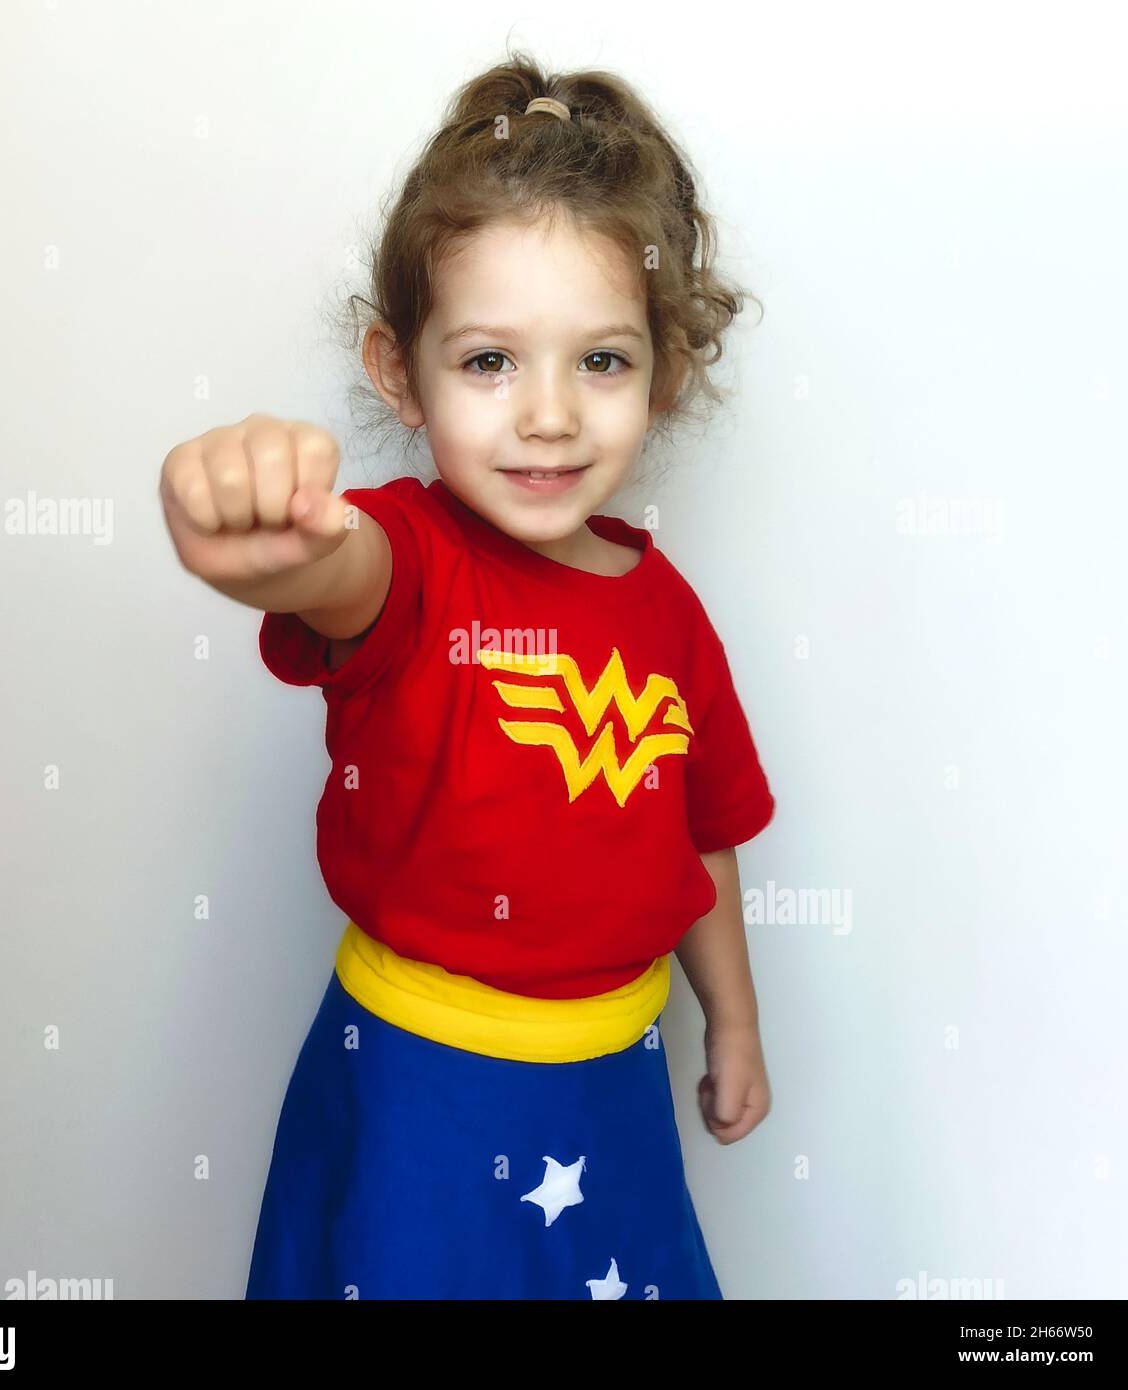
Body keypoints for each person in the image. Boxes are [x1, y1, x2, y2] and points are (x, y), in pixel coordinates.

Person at [159, 49, 776, 1300]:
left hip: (616, 1089)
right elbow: (336, 573)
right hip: (417, 1094)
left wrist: (735, 1022)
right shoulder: (411, 561)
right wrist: (260, 533)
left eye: (599, 361)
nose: (546, 414)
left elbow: (702, 836)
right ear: (401, 370)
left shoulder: (669, 614)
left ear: (662, 373)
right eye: (490, 360)